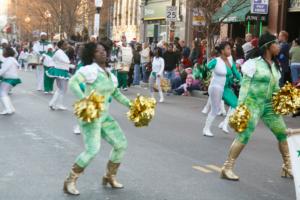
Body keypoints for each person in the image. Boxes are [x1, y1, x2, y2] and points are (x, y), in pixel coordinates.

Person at [220, 32, 293, 181]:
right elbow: (244, 87)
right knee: (244, 135)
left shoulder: (275, 65)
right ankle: (227, 168)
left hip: (269, 106)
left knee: (282, 133)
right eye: (276, 43)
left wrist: (284, 102)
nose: (279, 46)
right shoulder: (253, 64)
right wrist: (241, 108)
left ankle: (287, 166)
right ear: (268, 46)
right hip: (252, 104)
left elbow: (275, 88)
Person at [64, 42, 132, 195]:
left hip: (105, 117)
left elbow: (116, 94)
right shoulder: (89, 70)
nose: (103, 53)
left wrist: (132, 105)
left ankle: (109, 177)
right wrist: (85, 101)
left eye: (103, 50)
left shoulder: (109, 74)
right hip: (91, 116)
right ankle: (70, 181)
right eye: (98, 51)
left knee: (121, 144)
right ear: (91, 55)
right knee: (93, 150)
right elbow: (73, 82)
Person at [203, 42, 241, 137]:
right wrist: (205, 79)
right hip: (216, 87)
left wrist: (243, 81)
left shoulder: (230, 59)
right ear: (222, 51)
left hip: (226, 88)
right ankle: (206, 129)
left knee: (236, 104)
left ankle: (224, 123)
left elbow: (235, 72)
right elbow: (205, 68)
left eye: (230, 48)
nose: (230, 50)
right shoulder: (216, 61)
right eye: (228, 49)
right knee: (215, 110)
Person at [47, 40, 72, 110]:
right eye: (65, 44)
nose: (67, 45)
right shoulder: (59, 52)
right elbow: (66, 61)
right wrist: (69, 64)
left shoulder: (60, 52)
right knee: (63, 89)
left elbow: (55, 59)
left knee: (60, 88)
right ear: (61, 46)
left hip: (61, 71)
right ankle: (59, 104)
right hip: (61, 72)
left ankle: (52, 103)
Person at [0, 47, 22, 115]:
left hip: (9, 78)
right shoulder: (11, 59)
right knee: (4, 93)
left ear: (7, 52)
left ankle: (8, 109)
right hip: (10, 78)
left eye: (3, 51)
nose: (2, 52)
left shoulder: (9, 60)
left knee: (2, 92)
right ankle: (11, 108)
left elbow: (3, 70)